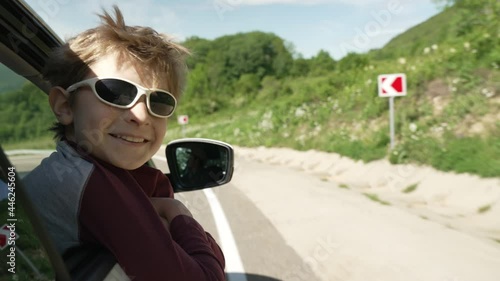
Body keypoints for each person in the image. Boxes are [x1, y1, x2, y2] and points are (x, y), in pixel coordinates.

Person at [23, 6, 225, 281]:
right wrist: (176, 211)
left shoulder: (83, 171)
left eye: (159, 101)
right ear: (64, 106)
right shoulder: (85, 182)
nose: (141, 115)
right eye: (116, 93)